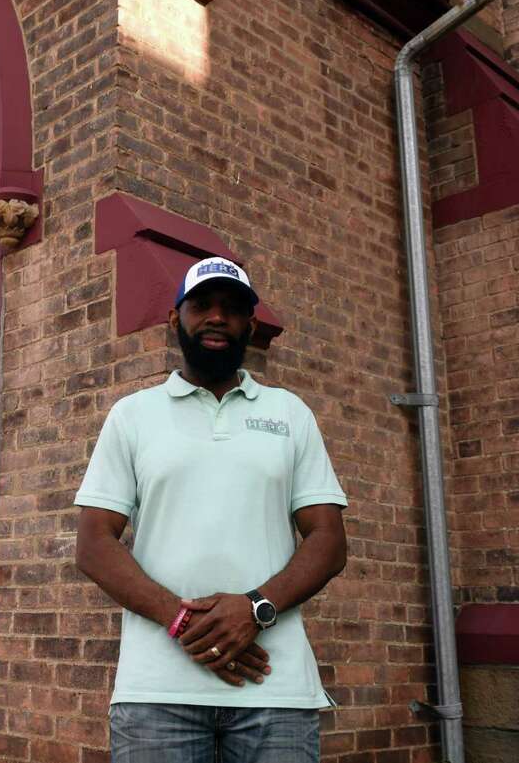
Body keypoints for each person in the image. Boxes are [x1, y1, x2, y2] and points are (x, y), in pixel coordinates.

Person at [74, 256, 349, 762]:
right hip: (157, 693)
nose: (217, 318)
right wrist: (181, 621)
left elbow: (329, 540)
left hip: (275, 688)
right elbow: (93, 543)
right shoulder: (132, 416)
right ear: (175, 319)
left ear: (250, 324)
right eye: (202, 305)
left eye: (232, 308)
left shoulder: (290, 413)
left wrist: (255, 608)